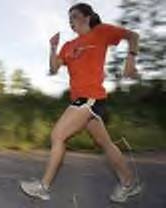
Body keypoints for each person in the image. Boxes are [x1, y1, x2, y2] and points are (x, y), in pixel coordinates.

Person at [19, 2, 142, 203]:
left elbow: (133, 37)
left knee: (58, 135)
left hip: (90, 97)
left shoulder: (101, 32)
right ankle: (129, 182)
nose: (71, 22)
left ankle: (44, 186)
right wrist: (52, 47)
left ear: (87, 17)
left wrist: (131, 59)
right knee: (105, 142)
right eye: (69, 19)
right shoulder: (68, 47)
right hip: (82, 101)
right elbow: (53, 68)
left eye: (74, 16)